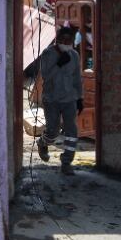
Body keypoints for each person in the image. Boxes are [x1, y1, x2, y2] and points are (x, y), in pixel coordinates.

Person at [32, 26, 84, 175]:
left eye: (71, 41)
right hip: (52, 99)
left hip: (69, 99)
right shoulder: (47, 54)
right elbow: (46, 76)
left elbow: (77, 79)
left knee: (71, 131)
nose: (68, 43)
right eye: (65, 40)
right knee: (52, 131)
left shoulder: (74, 55)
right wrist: (59, 64)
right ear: (58, 40)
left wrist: (80, 98)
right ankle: (42, 143)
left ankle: (66, 161)